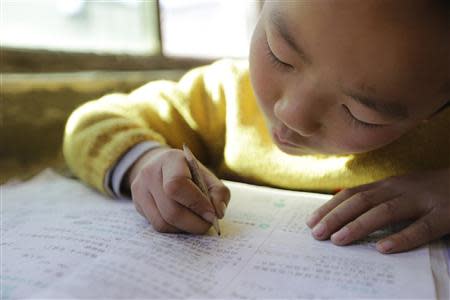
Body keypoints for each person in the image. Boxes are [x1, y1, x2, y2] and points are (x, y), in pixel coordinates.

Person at [63, 0, 449, 254]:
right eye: (280, 55)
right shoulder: (224, 96)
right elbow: (93, 121)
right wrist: (143, 162)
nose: (292, 113)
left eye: (361, 114)